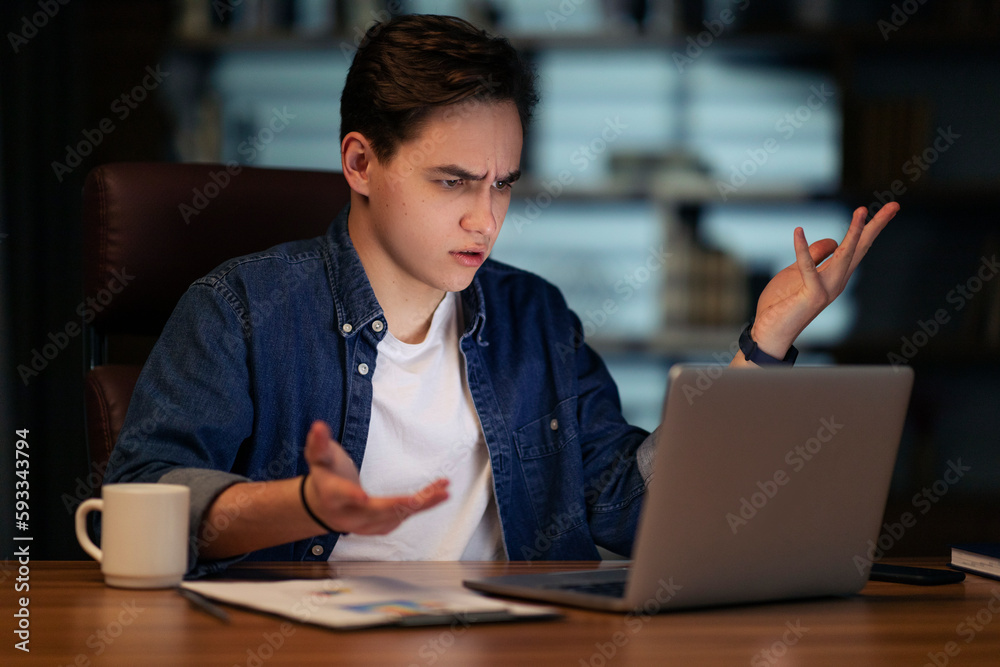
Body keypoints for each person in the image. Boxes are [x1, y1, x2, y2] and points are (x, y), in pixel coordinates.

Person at [103, 14, 898, 575]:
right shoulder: (240, 309)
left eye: (503, 185)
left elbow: (629, 504)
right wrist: (306, 504)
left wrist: (764, 339)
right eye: (452, 181)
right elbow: (143, 498)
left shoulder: (535, 316)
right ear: (359, 162)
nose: (486, 219)